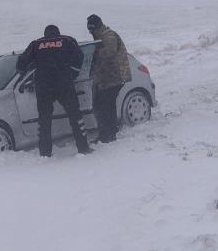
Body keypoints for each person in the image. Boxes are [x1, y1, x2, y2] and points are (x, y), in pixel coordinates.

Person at [16, 25, 92, 157]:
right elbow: (79, 54)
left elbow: (22, 60)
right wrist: (73, 72)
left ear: (45, 34)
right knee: (75, 117)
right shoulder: (67, 40)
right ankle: (83, 147)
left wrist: (23, 70)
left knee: (44, 121)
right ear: (58, 32)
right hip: (64, 85)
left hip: (44, 87)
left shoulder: (36, 43)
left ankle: (45, 153)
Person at [86, 14, 132, 143]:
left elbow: (111, 50)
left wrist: (95, 55)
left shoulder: (108, 35)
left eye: (90, 29)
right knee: (107, 105)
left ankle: (108, 135)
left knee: (103, 105)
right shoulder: (101, 36)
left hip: (114, 77)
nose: (89, 32)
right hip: (109, 78)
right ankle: (110, 132)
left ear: (95, 27)